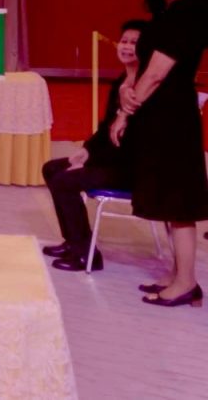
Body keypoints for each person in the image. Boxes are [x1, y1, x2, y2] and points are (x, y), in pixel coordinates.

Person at [110, 0, 208, 307]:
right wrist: (128, 91)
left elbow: (155, 74)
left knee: (178, 205)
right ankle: (177, 274)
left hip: (172, 118)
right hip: (159, 115)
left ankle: (186, 282)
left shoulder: (187, 16)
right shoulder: (168, 14)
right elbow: (143, 69)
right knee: (168, 201)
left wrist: (124, 113)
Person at [41, 20, 147, 271]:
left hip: (131, 168)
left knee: (65, 181)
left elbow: (130, 141)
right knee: (52, 168)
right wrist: (86, 151)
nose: (127, 47)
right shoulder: (121, 81)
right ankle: (72, 241)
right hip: (112, 160)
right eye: (124, 41)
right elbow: (106, 128)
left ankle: (86, 255)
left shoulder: (144, 87)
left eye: (134, 43)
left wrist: (92, 163)